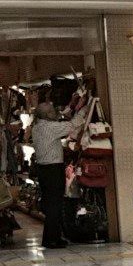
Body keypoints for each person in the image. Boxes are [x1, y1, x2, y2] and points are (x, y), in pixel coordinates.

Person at [32, 101, 86, 248]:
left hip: (43, 169)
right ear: (47, 114)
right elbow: (72, 125)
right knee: (55, 204)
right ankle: (52, 240)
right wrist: (83, 110)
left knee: (51, 204)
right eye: (52, 110)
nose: (55, 112)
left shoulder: (37, 127)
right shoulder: (50, 127)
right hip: (52, 169)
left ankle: (51, 237)